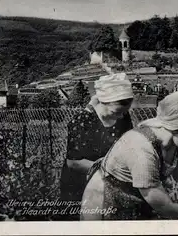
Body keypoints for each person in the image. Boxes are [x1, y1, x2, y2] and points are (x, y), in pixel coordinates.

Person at [80, 90, 178, 220]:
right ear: (177, 127)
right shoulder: (142, 150)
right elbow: (165, 208)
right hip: (103, 208)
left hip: (133, 203)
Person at [57, 73, 134, 220]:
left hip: (113, 185)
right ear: (103, 102)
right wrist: (110, 170)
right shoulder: (83, 120)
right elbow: (74, 162)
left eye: (123, 112)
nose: (119, 117)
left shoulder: (123, 116)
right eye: (115, 112)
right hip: (80, 186)